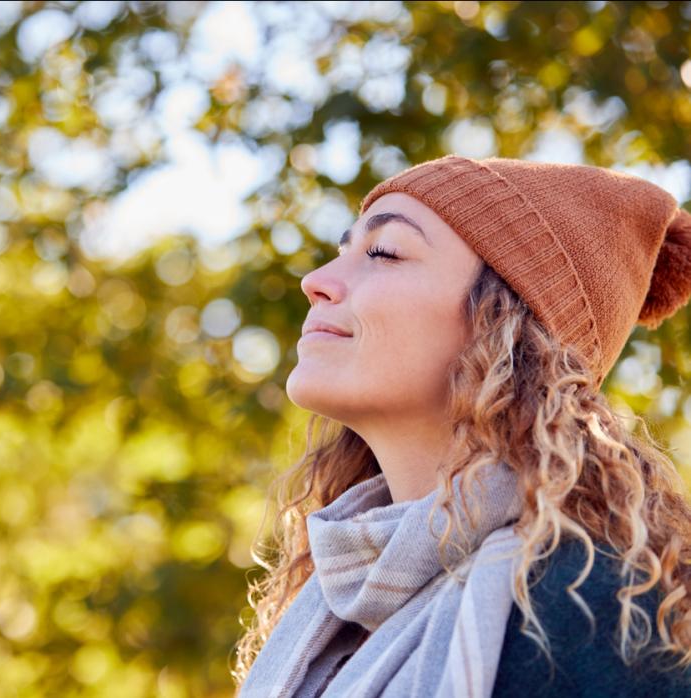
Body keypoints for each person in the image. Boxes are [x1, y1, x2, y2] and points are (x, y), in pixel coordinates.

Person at [230, 154, 691, 697]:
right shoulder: (337, 612)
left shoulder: (593, 611)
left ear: (505, 327)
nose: (316, 281)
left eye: (384, 252)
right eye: (342, 250)